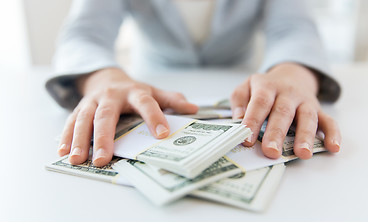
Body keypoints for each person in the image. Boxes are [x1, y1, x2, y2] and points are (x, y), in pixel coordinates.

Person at [46, 0, 341, 168]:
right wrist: (103, 79)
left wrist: (294, 74)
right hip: (151, 85)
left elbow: (295, 28)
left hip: (238, 84)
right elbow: (83, 35)